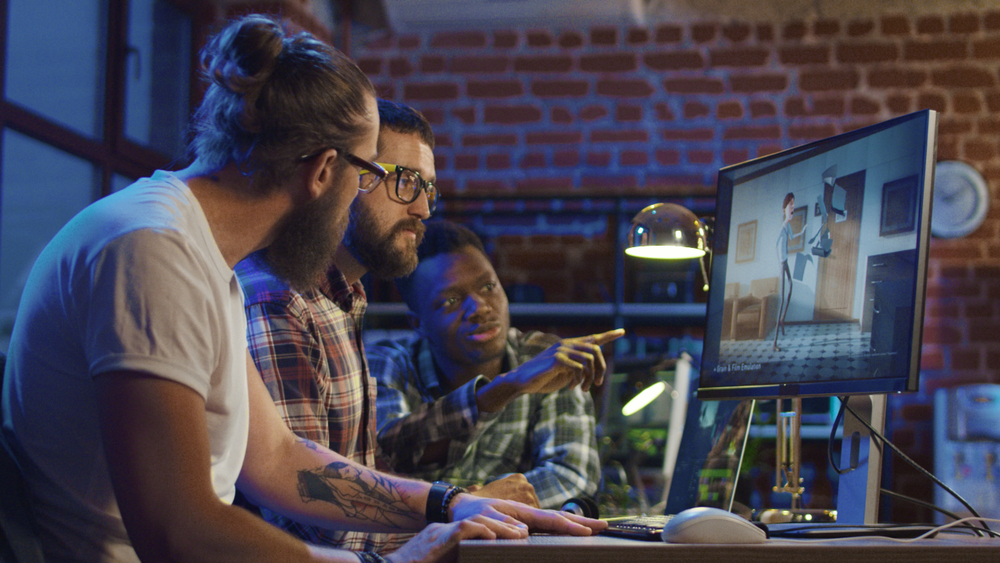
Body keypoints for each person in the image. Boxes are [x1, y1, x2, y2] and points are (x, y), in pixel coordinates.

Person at [0, 15, 602, 563]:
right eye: (369, 173)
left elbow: (279, 460)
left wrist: (448, 503)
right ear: (322, 171)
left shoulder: (196, 253)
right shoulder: (153, 251)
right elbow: (179, 530)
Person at [235, 99, 537, 554]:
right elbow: (310, 525)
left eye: (428, 189)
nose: (423, 209)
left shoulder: (344, 296)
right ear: (338, 174)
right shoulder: (280, 299)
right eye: (405, 181)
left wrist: (465, 500)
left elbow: (366, 466)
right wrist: (458, 509)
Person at [368, 221, 624, 509]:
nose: (480, 307)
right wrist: (506, 388)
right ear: (418, 323)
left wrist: (472, 502)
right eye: (451, 300)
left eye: (488, 287)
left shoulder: (544, 358)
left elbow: (572, 476)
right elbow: (383, 459)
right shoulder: (387, 363)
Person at [774, 192, 804, 352]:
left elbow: (792, 237)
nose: (793, 207)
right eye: (790, 204)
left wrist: (802, 231)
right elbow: (775, 245)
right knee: (782, 298)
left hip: (785, 263)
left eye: (794, 204)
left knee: (791, 286)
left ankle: (782, 319)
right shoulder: (782, 227)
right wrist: (779, 262)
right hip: (782, 263)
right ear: (784, 209)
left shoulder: (788, 226)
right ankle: (775, 343)